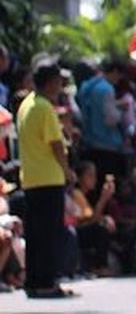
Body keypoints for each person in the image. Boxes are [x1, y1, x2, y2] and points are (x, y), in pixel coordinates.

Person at [17, 60, 76, 298]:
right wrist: (67, 171)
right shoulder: (44, 108)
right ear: (52, 82)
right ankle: (47, 283)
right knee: (51, 233)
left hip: (31, 178)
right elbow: (56, 145)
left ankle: (34, 281)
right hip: (49, 178)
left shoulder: (26, 105)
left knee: (35, 234)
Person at [76, 58, 129, 183]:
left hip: (89, 141)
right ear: (115, 72)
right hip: (107, 144)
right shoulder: (106, 89)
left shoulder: (86, 87)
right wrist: (122, 114)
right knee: (107, 183)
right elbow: (110, 119)